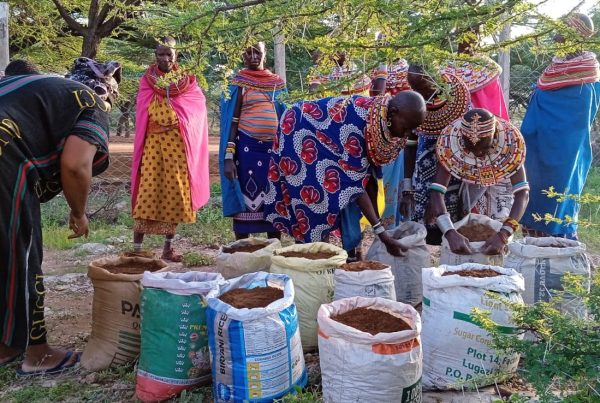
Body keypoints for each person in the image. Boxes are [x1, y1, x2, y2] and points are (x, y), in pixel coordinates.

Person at [0, 62, 119, 375]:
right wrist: (79, 213)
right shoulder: (90, 101)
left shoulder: (32, 91)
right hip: (5, 158)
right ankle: (37, 354)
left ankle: (5, 345)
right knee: (23, 254)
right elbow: (76, 165)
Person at [263, 91, 427, 256]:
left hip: (319, 137)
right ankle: (313, 260)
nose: (406, 135)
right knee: (315, 205)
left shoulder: (380, 122)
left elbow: (366, 178)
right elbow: (355, 186)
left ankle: (324, 258)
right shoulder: (357, 126)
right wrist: (382, 234)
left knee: (331, 205)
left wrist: (380, 230)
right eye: (406, 128)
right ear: (393, 113)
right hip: (297, 133)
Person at [520, 13, 600, 239]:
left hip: (565, 149)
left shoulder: (587, 73)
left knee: (559, 190)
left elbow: (576, 120)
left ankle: (559, 242)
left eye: (561, 31)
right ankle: (533, 244)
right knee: (534, 188)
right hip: (537, 144)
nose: (555, 37)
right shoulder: (554, 68)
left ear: (574, 35)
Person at [131, 36, 210, 261]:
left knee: (175, 193)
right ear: (155, 55)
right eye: (160, 54)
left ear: (176, 54)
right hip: (153, 144)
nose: (165, 58)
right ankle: (137, 250)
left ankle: (168, 247)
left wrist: (181, 120)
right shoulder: (147, 80)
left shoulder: (187, 80)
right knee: (147, 191)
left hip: (177, 145)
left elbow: (197, 109)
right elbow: (143, 109)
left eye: (169, 54)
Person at [426, 108, 529, 255]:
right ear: (461, 140)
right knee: (468, 226)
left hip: (500, 185)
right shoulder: (450, 147)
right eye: (471, 150)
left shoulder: (510, 147)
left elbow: (522, 194)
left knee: (497, 230)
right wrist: (449, 232)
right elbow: (437, 191)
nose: (479, 154)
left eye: (484, 148)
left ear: (494, 138)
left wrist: (504, 234)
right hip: (467, 182)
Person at [443, 28, 514, 220]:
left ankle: (479, 230)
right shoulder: (445, 68)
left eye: (473, 33)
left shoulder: (487, 70)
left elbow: (494, 109)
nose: (466, 39)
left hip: (483, 141)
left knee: (483, 193)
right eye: (463, 33)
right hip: (453, 142)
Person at [220, 43, 287, 240]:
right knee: (246, 200)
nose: (253, 56)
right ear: (242, 55)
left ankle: (273, 248)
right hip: (246, 150)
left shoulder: (276, 83)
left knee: (274, 198)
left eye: (257, 51)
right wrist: (228, 157)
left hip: (273, 151)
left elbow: (285, 118)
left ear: (265, 54)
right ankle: (243, 251)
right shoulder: (239, 83)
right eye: (248, 52)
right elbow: (232, 121)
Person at [402, 65, 470, 244]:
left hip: (451, 178)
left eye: (423, 89)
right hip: (422, 180)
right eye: (415, 89)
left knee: (451, 231)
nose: (420, 95)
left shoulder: (459, 103)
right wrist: (407, 189)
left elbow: (453, 149)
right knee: (423, 233)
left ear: (436, 80)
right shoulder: (416, 103)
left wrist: (436, 195)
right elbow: (410, 146)